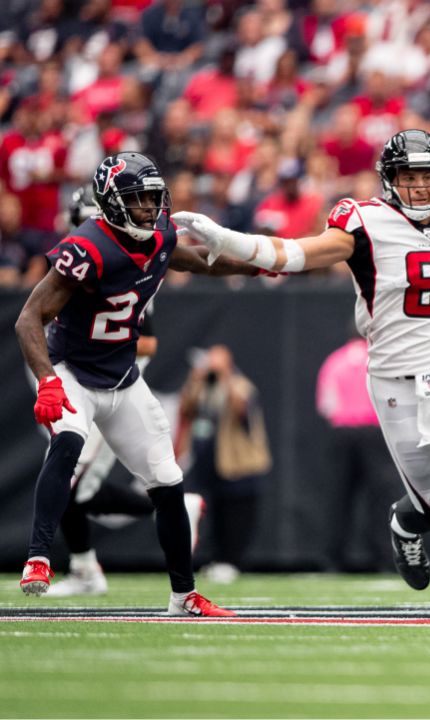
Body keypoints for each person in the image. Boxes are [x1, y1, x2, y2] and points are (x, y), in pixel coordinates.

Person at [172, 130, 430, 617]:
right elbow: (295, 255)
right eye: (408, 177)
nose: (418, 187)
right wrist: (229, 240)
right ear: (389, 181)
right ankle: (406, 525)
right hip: (396, 384)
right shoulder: (362, 224)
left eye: (427, 176)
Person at [15, 152, 260, 616]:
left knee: (167, 481)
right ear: (111, 202)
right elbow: (29, 317)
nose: (149, 209)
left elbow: (192, 262)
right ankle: (39, 558)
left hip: (124, 379)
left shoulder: (160, 235)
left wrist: (254, 263)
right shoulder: (86, 247)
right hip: (75, 373)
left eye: (152, 199)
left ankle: (183, 596)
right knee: (68, 442)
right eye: (137, 200)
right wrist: (48, 381)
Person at [43, 184, 204, 597]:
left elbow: (147, 341)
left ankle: (90, 567)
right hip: (83, 376)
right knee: (68, 482)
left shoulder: (122, 258)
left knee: (79, 486)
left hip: (108, 382)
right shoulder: (88, 256)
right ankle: (83, 567)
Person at [177, 345, 270, 584]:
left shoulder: (240, 384)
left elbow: (242, 410)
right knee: (215, 512)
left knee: (237, 514)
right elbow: (186, 410)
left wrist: (225, 376)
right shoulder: (203, 387)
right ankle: (218, 559)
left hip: (239, 462)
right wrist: (194, 378)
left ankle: (232, 561)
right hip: (211, 462)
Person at [315, 335, 401, 572]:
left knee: (339, 496)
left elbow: (326, 404)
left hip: (343, 433)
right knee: (382, 497)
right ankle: (384, 558)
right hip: (374, 432)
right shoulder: (381, 359)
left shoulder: (335, 360)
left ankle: (332, 559)